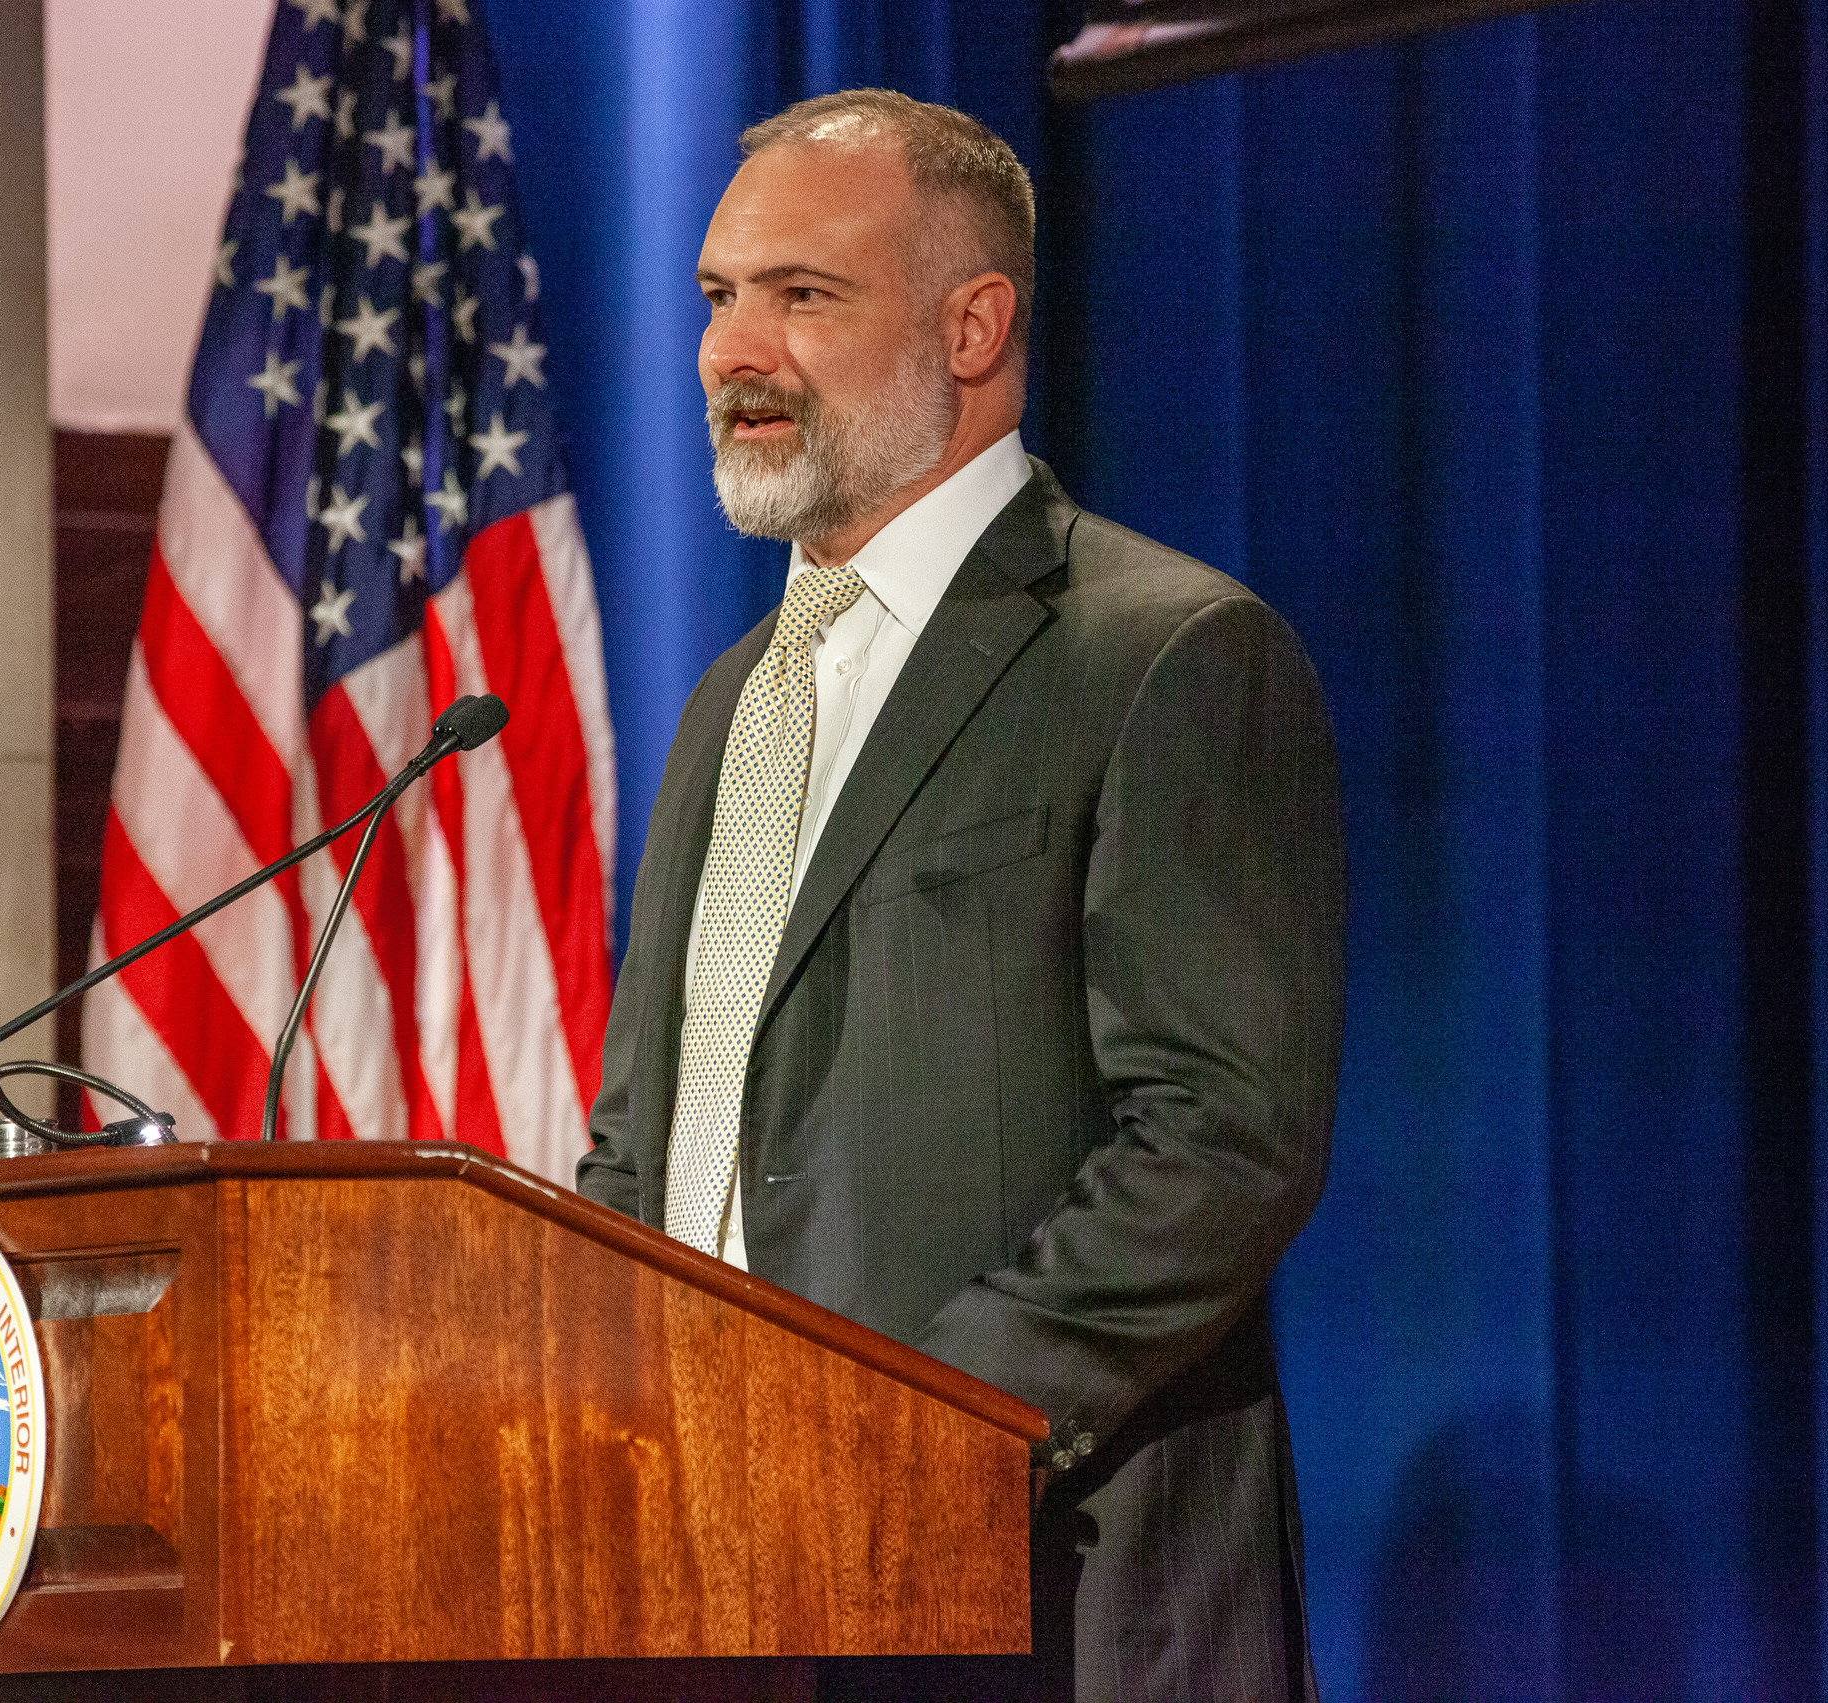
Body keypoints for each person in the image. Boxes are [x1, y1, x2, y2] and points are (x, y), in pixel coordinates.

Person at [575, 89, 1344, 1700]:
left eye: (804, 294)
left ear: (974, 326)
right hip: (727, 1590)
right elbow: (650, 1140)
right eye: (720, 296)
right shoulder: (734, 700)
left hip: (1046, 1598)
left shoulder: (1166, 656)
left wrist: (909, 1430)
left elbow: (1220, 1144)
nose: (733, 352)